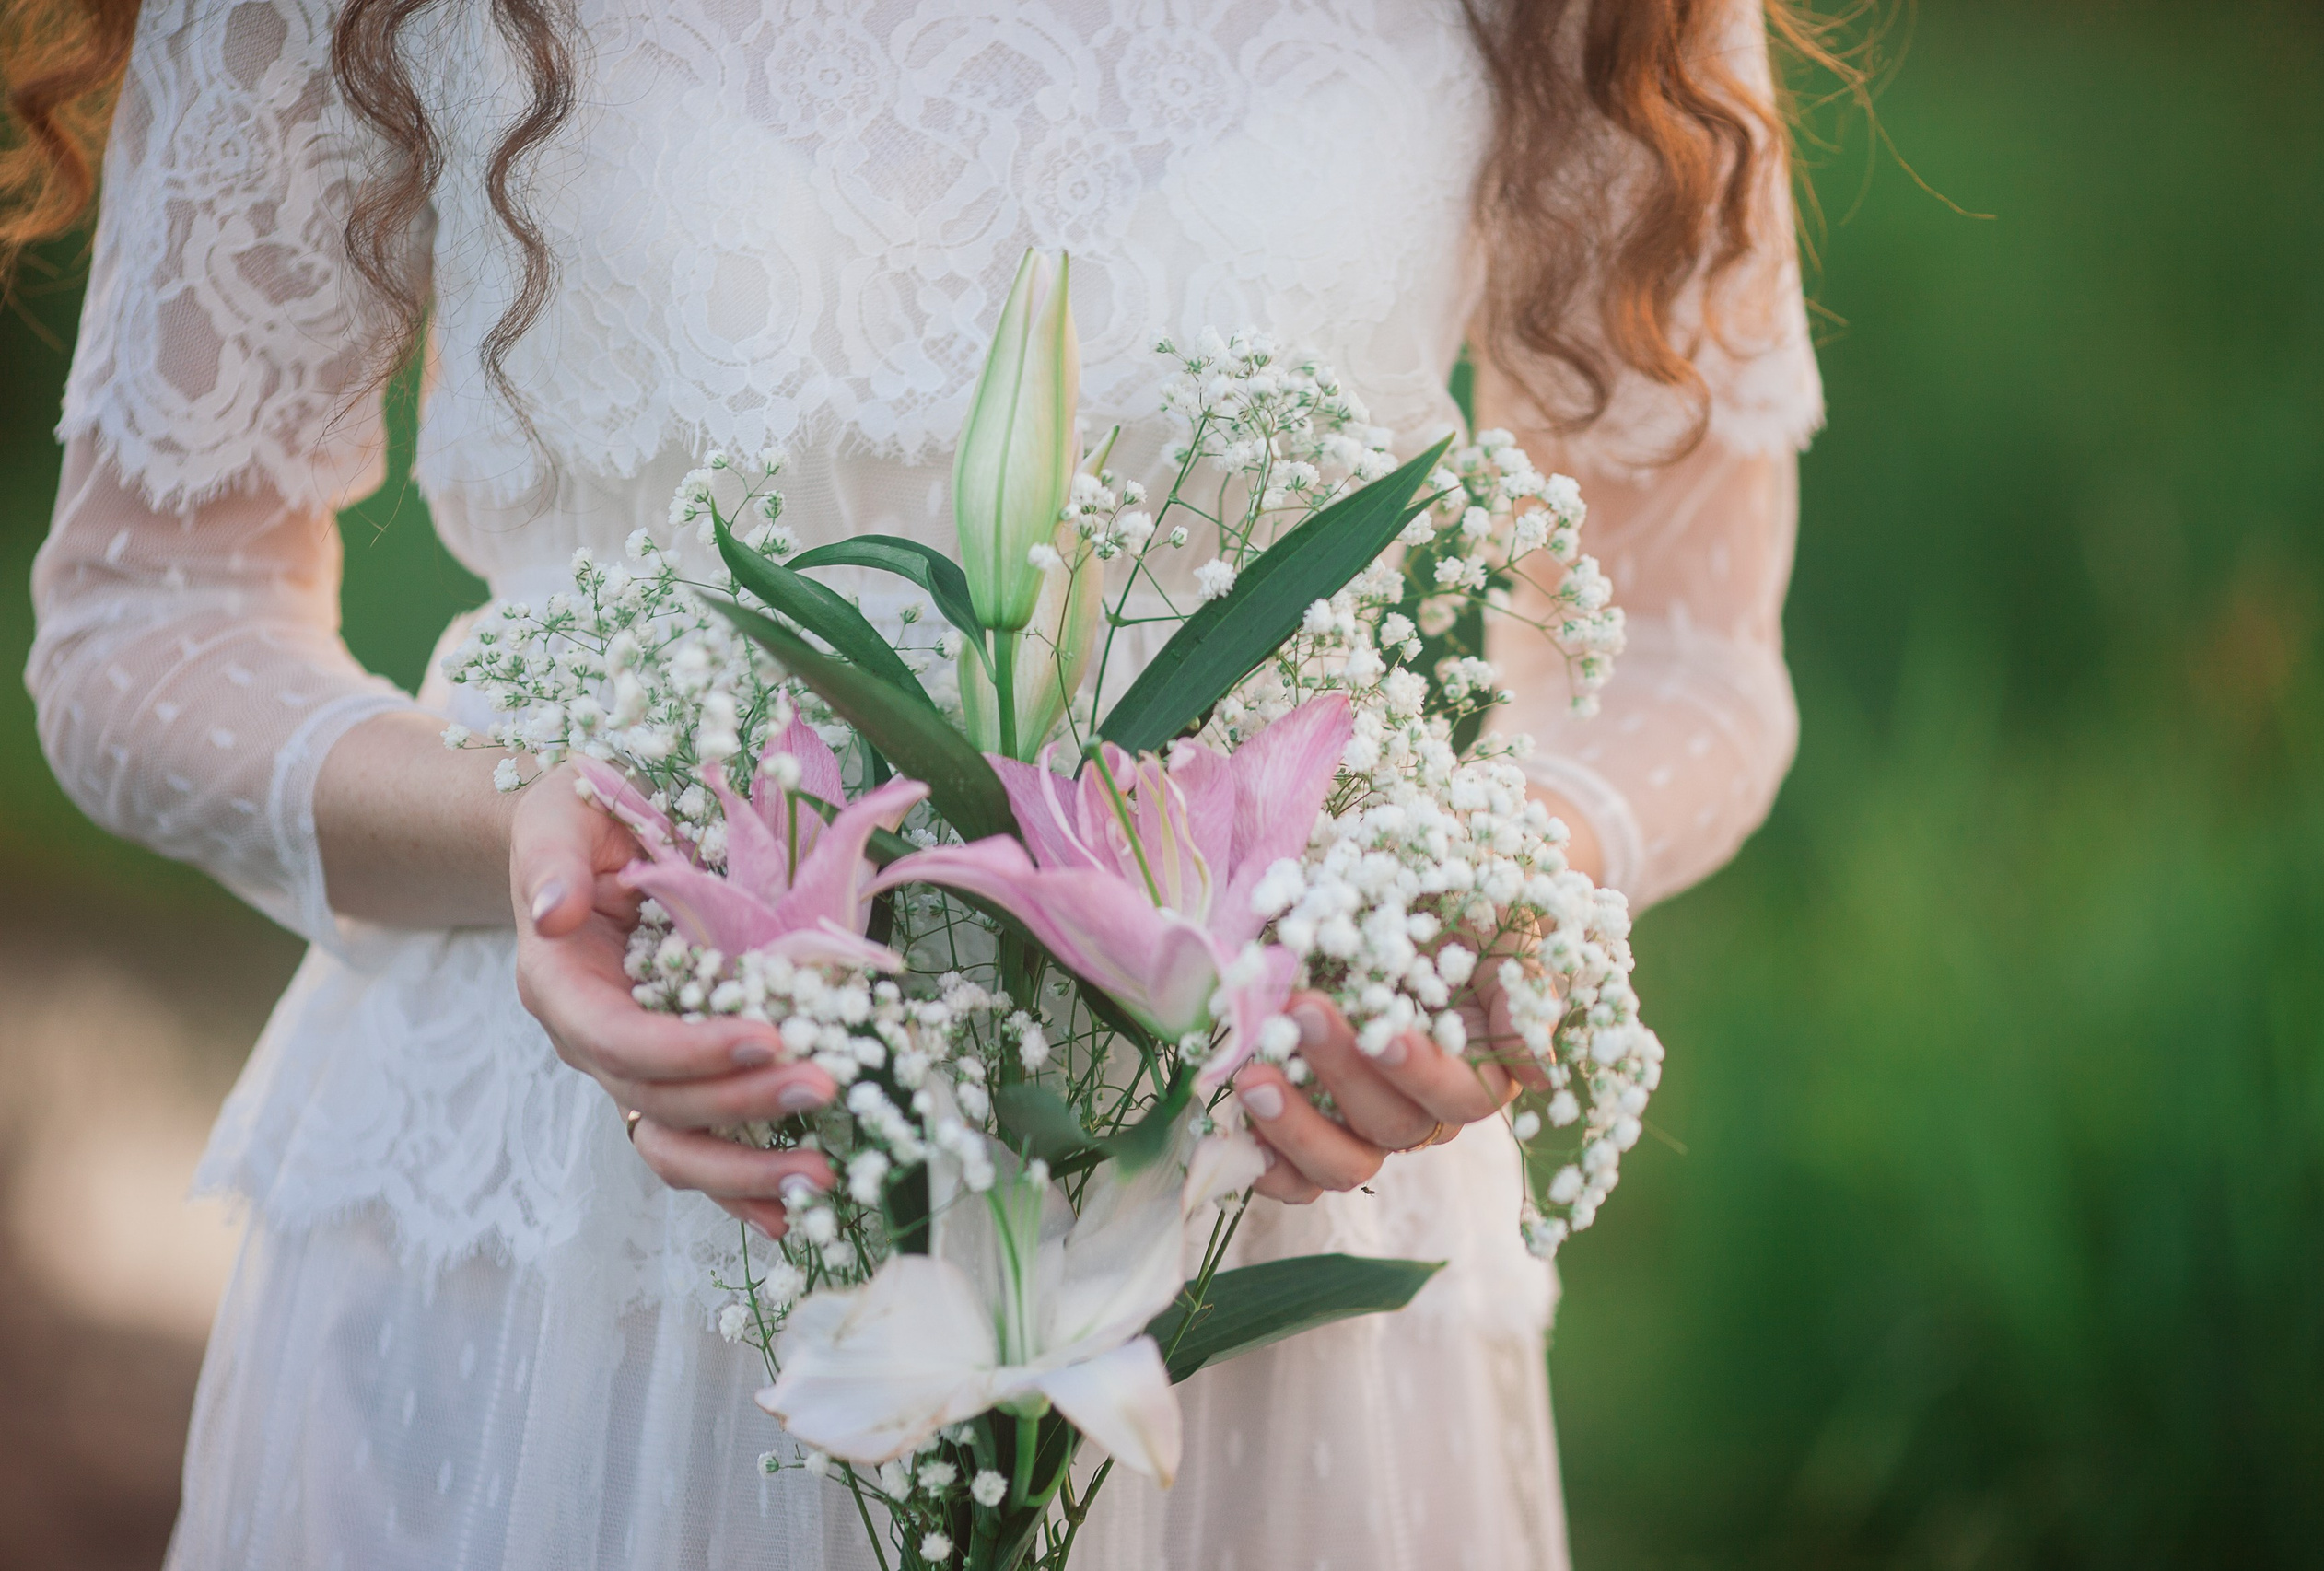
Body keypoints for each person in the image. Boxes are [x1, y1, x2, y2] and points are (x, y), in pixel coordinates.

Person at [12, 0, 1828, 1565]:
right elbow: (147, 617)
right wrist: (544, 835)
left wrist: (1474, 892)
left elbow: (1684, 655)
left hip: (1250, 1218)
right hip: (604, 1230)